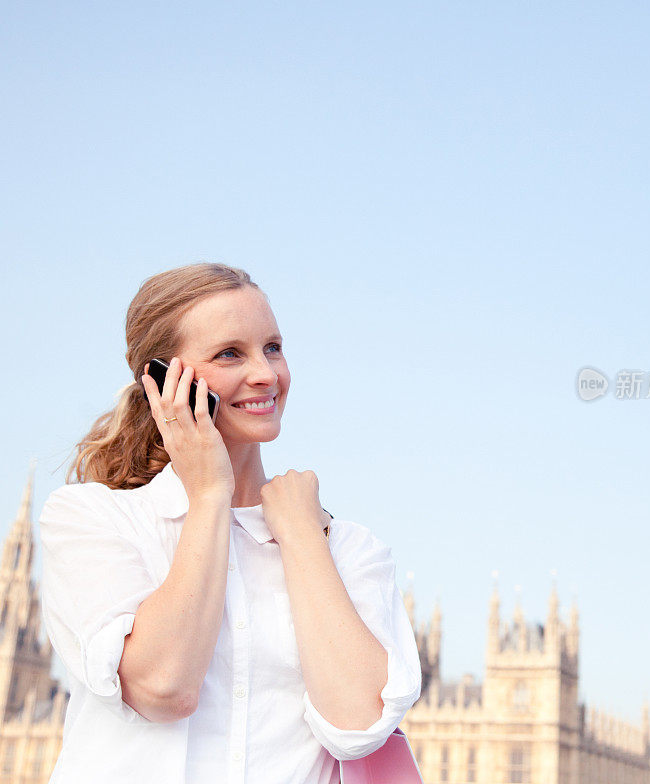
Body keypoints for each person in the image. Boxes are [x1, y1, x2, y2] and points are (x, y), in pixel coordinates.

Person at [38, 262, 422, 784]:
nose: (266, 373)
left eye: (274, 347)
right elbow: (163, 687)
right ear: (161, 380)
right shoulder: (92, 521)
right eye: (229, 353)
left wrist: (304, 539)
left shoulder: (347, 548)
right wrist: (210, 493)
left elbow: (358, 725)